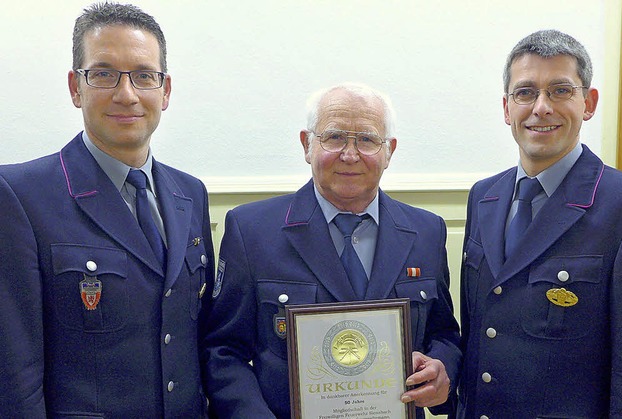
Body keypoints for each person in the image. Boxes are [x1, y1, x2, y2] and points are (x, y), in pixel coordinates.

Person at [0, 3, 214, 417]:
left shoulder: (191, 193)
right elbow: (14, 371)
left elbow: (194, 338)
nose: (126, 94)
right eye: (103, 74)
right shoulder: (19, 196)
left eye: (144, 76)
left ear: (165, 90)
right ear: (75, 87)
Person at [201, 82, 461, 418]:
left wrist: (442, 371)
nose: (350, 154)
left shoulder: (426, 231)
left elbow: (444, 334)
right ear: (307, 145)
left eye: (367, 140)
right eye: (334, 137)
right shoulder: (251, 231)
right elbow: (224, 351)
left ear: (389, 151)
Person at [458, 29, 622, 418]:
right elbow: (479, 332)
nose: (541, 107)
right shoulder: (483, 197)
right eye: (525, 93)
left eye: (560, 90)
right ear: (507, 108)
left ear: (588, 103)